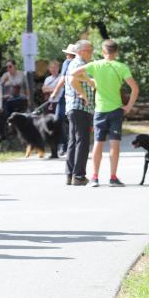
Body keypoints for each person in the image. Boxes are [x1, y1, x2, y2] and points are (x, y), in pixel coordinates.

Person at [70, 39, 139, 187]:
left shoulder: (96, 65)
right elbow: (135, 88)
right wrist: (128, 106)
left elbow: (73, 73)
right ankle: (113, 178)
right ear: (116, 52)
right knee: (115, 144)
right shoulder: (121, 67)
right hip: (116, 110)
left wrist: (89, 80)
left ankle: (94, 178)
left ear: (103, 51)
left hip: (100, 111)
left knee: (98, 144)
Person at [62, 41, 95, 185]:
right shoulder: (78, 63)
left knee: (74, 140)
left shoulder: (76, 63)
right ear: (81, 51)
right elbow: (73, 80)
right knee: (82, 141)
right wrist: (84, 95)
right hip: (79, 106)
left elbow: (76, 78)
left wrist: (87, 80)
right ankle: (79, 175)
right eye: (89, 50)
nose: (91, 53)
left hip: (76, 107)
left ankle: (71, 174)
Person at [46, 44, 78, 156]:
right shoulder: (80, 63)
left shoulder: (67, 62)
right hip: (78, 94)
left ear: (68, 54)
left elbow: (63, 79)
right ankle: (73, 146)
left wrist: (54, 93)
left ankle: (65, 146)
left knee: (59, 119)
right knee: (73, 121)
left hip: (66, 94)